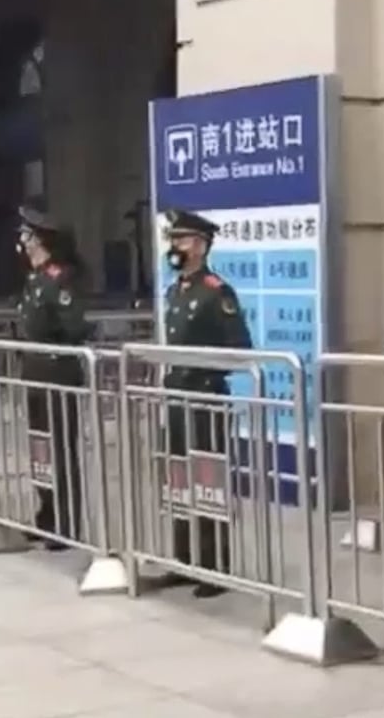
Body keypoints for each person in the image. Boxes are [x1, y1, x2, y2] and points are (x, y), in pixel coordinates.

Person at [160, 208, 253, 598]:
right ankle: (185, 559)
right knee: (179, 477)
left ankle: (215, 565)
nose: (174, 247)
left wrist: (205, 366)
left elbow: (240, 347)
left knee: (207, 477)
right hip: (176, 394)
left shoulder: (217, 292)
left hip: (204, 394)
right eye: (173, 241)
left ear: (199, 246)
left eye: (181, 241)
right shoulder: (175, 291)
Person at [15, 206, 91, 550]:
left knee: (59, 448)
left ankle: (67, 521)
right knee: (40, 448)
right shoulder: (34, 278)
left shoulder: (60, 278)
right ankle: (45, 514)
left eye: (26, 234)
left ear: (40, 238)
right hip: (34, 370)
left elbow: (74, 326)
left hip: (58, 370)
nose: (21, 240)